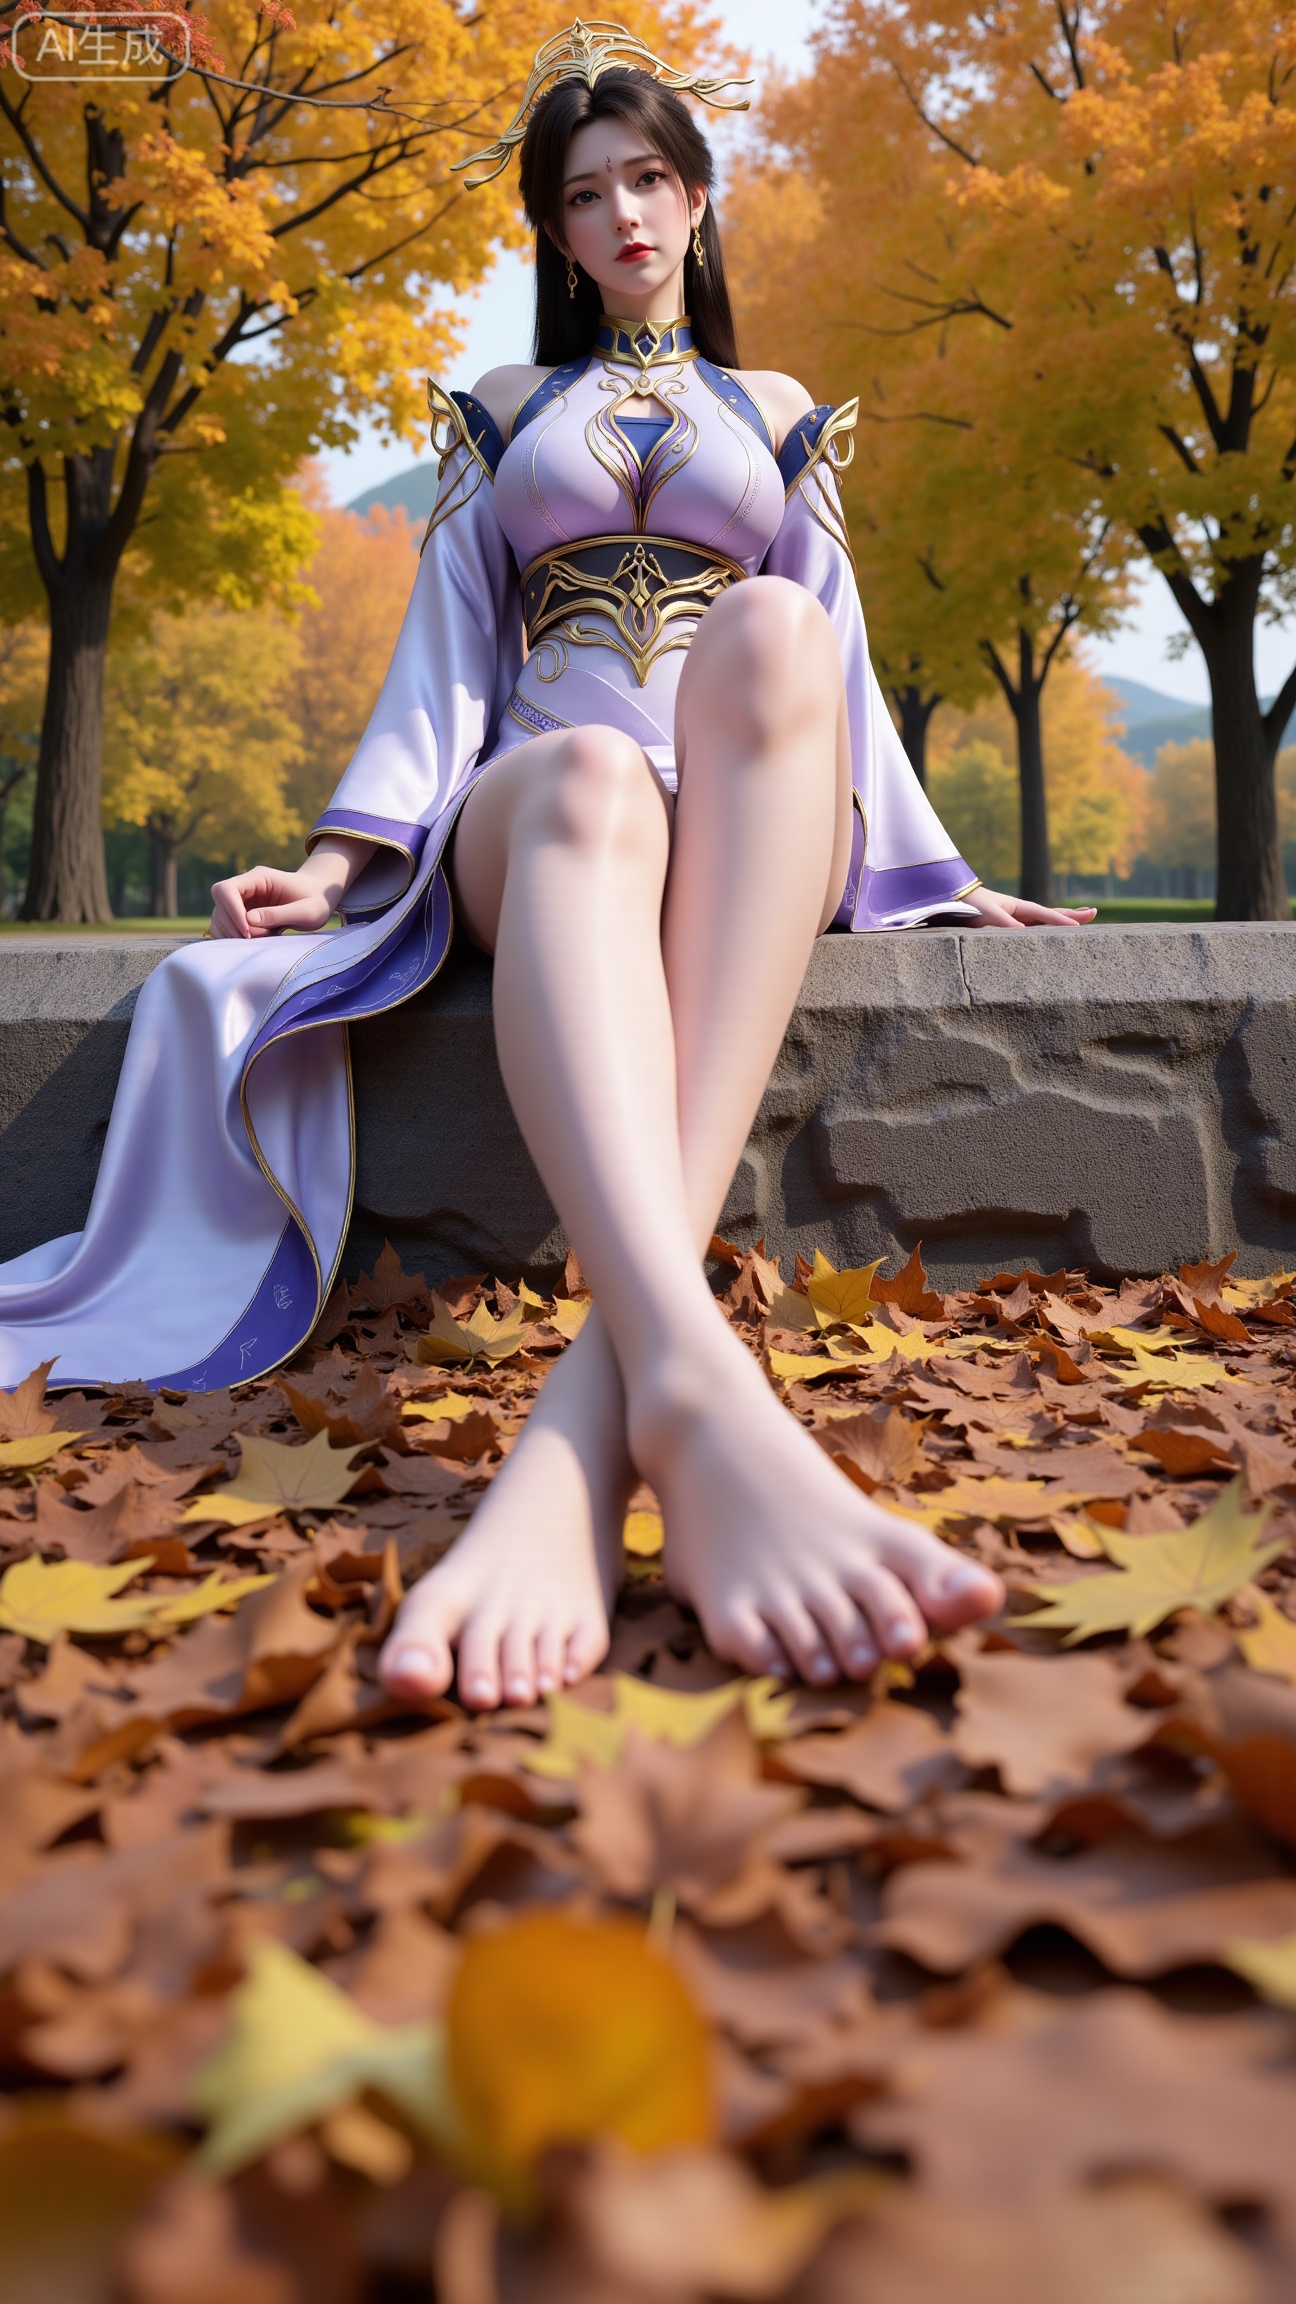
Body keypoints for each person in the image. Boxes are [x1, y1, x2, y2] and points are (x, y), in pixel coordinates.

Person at [0, 23, 1094, 1709]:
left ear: (699, 200)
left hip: (748, 816)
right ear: (559, 233)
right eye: (586, 195)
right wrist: (341, 861)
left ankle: (595, 1427)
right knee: (585, 771)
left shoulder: (780, 413)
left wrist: (936, 873)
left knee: (773, 628)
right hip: (552, 815)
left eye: (649, 179)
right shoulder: (503, 411)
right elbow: (445, 654)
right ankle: (691, 1400)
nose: (624, 214)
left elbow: (841, 667)